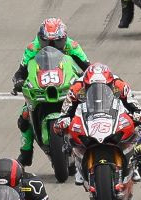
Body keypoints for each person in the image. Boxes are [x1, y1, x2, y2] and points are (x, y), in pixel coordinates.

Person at [9, 18, 89, 166]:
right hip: (42, 88)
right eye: (47, 42)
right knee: (25, 115)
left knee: (87, 109)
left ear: (64, 39)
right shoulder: (32, 48)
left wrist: (88, 81)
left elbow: (87, 68)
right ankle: (26, 152)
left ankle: (90, 145)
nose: (52, 46)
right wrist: (18, 81)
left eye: (57, 42)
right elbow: (20, 72)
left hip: (65, 86)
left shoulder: (72, 46)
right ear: (40, 39)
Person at [54, 63, 141, 185]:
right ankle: (78, 165)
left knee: (138, 129)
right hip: (88, 117)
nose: (97, 89)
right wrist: (63, 121)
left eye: (103, 85)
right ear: (86, 83)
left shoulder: (119, 85)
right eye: (91, 86)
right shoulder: (77, 87)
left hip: (112, 115)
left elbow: (134, 105)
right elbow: (65, 112)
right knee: (69, 131)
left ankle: (134, 164)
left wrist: (138, 115)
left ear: (110, 83)